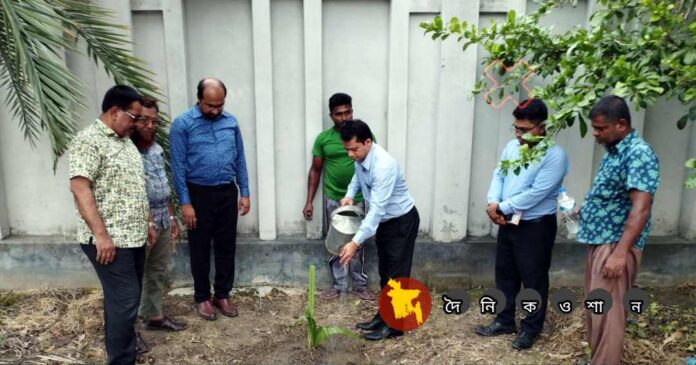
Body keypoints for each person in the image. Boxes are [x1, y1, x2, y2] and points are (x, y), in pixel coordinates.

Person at [68, 85, 156, 364]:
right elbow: (80, 188)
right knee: (126, 300)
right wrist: (101, 235)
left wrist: (149, 222)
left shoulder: (124, 141)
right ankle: (121, 359)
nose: (137, 124)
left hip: (134, 237)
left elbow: (134, 188)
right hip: (109, 241)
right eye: (134, 117)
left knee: (124, 300)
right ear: (114, 112)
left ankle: (123, 352)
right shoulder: (89, 140)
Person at [476, 98, 569, 350]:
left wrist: (502, 207)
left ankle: (531, 327)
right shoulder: (511, 147)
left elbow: (537, 192)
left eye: (524, 130)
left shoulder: (555, 156)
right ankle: (505, 320)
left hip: (535, 225)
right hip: (507, 221)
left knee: (533, 278)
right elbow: (499, 174)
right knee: (505, 274)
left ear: (541, 127)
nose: (519, 134)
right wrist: (492, 202)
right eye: (516, 128)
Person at [577, 95, 660, 365]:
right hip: (601, 241)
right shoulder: (616, 151)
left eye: (601, 128)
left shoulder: (638, 154)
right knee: (597, 310)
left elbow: (641, 208)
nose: (595, 134)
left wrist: (619, 253)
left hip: (615, 246)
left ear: (621, 124)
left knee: (608, 316)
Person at [169, 78, 250, 321]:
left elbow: (240, 159)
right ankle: (202, 297)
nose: (215, 111)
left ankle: (222, 294)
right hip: (198, 194)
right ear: (199, 100)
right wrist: (185, 202)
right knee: (200, 248)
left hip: (227, 192)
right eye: (210, 106)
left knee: (227, 246)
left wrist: (244, 191)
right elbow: (178, 167)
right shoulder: (183, 124)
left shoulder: (231, 122)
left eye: (220, 106)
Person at [337, 120, 420, 341]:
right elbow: (357, 177)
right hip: (385, 222)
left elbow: (376, 210)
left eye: (354, 149)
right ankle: (383, 316)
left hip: (401, 222)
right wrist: (349, 195)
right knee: (386, 274)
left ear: (367, 142)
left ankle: (395, 326)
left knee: (397, 276)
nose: (350, 155)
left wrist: (355, 242)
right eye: (347, 150)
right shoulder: (361, 157)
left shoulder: (384, 165)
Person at [303, 93, 372, 301]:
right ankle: (338, 285)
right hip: (333, 198)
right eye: (339, 114)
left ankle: (360, 285)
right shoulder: (324, 139)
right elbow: (315, 170)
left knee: (358, 242)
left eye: (348, 112)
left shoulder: (362, 135)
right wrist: (309, 201)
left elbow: (372, 166)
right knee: (336, 242)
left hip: (358, 198)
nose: (344, 117)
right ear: (331, 115)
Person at [131, 96, 187, 333]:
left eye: (154, 121)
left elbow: (163, 185)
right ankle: (128, 332)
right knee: (132, 278)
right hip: (140, 224)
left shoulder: (156, 148)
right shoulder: (126, 151)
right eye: (144, 120)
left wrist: (172, 218)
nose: (150, 126)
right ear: (132, 119)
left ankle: (154, 317)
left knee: (157, 271)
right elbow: (133, 191)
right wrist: (148, 222)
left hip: (163, 218)